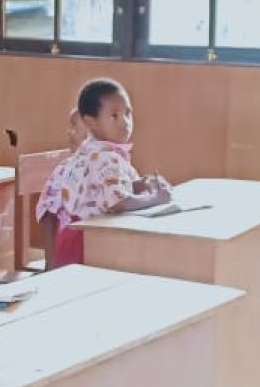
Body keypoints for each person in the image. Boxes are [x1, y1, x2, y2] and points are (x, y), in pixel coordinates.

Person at [35, 79, 172, 269]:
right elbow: (118, 202)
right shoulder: (104, 157)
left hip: (74, 239)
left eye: (128, 114)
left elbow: (103, 191)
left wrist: (141, 184)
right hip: (87, 243)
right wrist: (157, 199)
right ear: (90, 122)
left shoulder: (91, 151)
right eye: (114, 116)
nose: (125, 123)